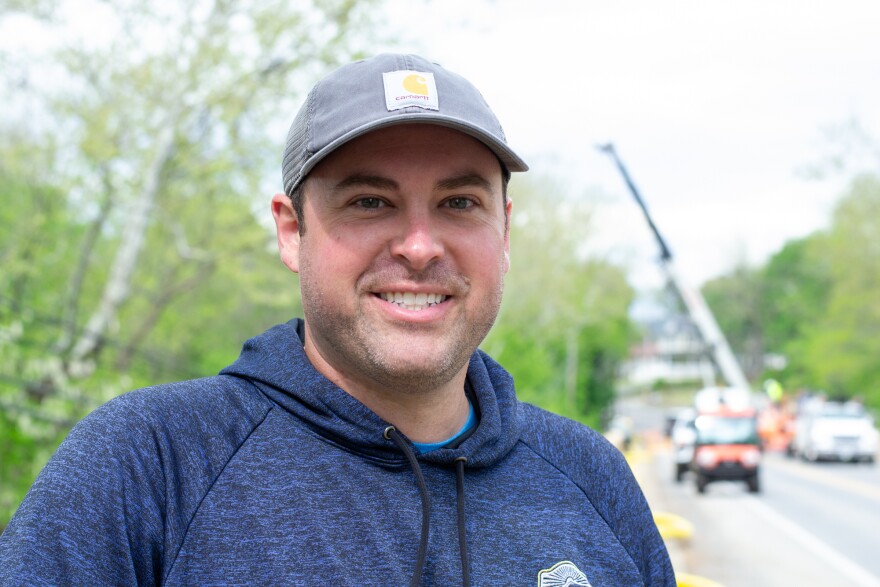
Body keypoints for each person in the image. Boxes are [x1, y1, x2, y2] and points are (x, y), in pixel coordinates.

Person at [0, 53, 675, 586]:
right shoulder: (146, 467)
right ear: (291, 232)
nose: (419, 245)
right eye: (370, 202)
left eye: (460, 202)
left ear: (504, 227)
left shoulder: (592, 480)